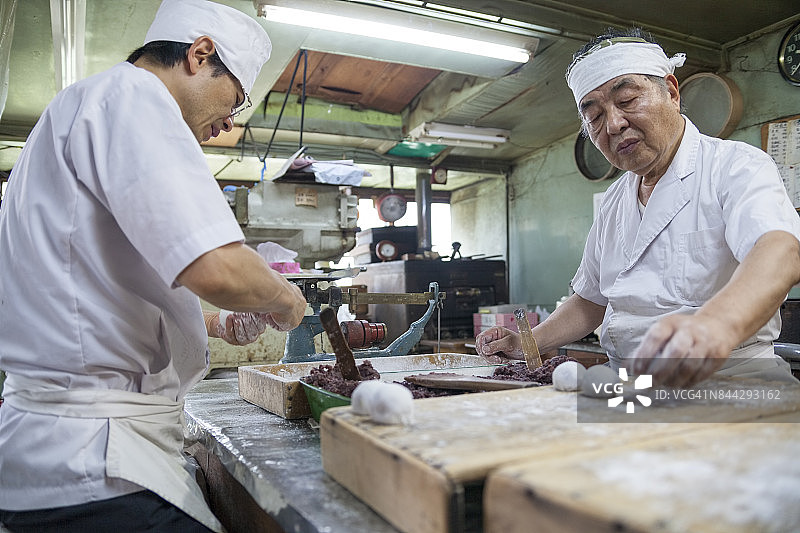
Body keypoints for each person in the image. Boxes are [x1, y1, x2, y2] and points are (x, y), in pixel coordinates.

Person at [0, 1, 306, 531]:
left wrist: (213, 325)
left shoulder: (84, 108)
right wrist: (285, 297)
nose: (227, 124)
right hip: (93, 458)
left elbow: (92, 288)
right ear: (200, 53)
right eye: (233, 100)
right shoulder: (134, 97)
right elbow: (216, 268)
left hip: (54, 448)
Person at [477, 27, 800, 389]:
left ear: (672, 92)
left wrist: (717, 324)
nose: (613, 124)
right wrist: (528, 342)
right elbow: (589, 301)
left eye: (628, 100)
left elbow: (780, 249)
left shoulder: (734, 166)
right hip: (630, 389)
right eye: (594, 116)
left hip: (728, 383)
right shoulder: (615, 200)